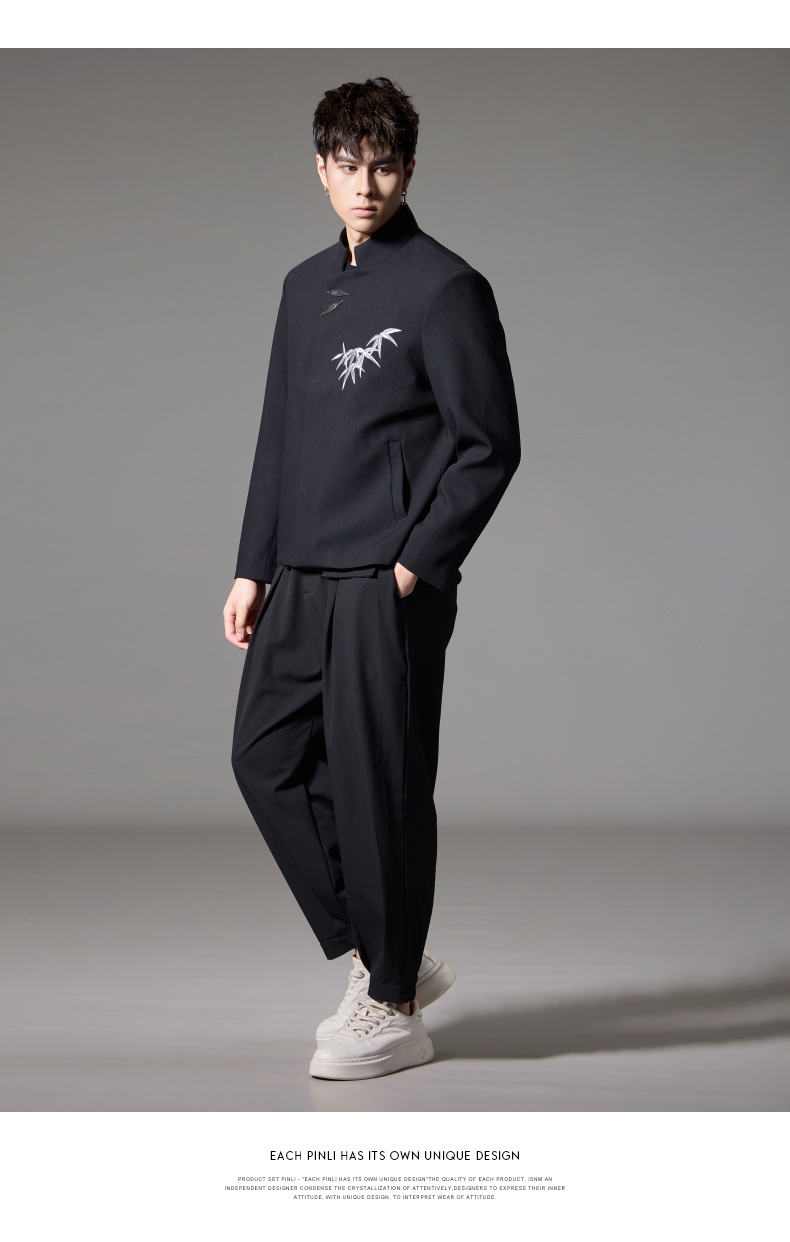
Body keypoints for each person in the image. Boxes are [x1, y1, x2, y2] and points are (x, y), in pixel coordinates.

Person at [224, 77, 520, 1081]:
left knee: (377, 788)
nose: (366, 185)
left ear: (409, 169)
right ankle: (393, 951)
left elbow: (489, 445)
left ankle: (392, 1004)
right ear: (321, 168)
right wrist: (252, 565)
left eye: (384, 166)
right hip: (300, 573)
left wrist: (413, 564)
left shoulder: (445, 287)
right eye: (348, 166)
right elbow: (281, 434)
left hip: (383, 581)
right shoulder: (301, 287)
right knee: (264, 760)